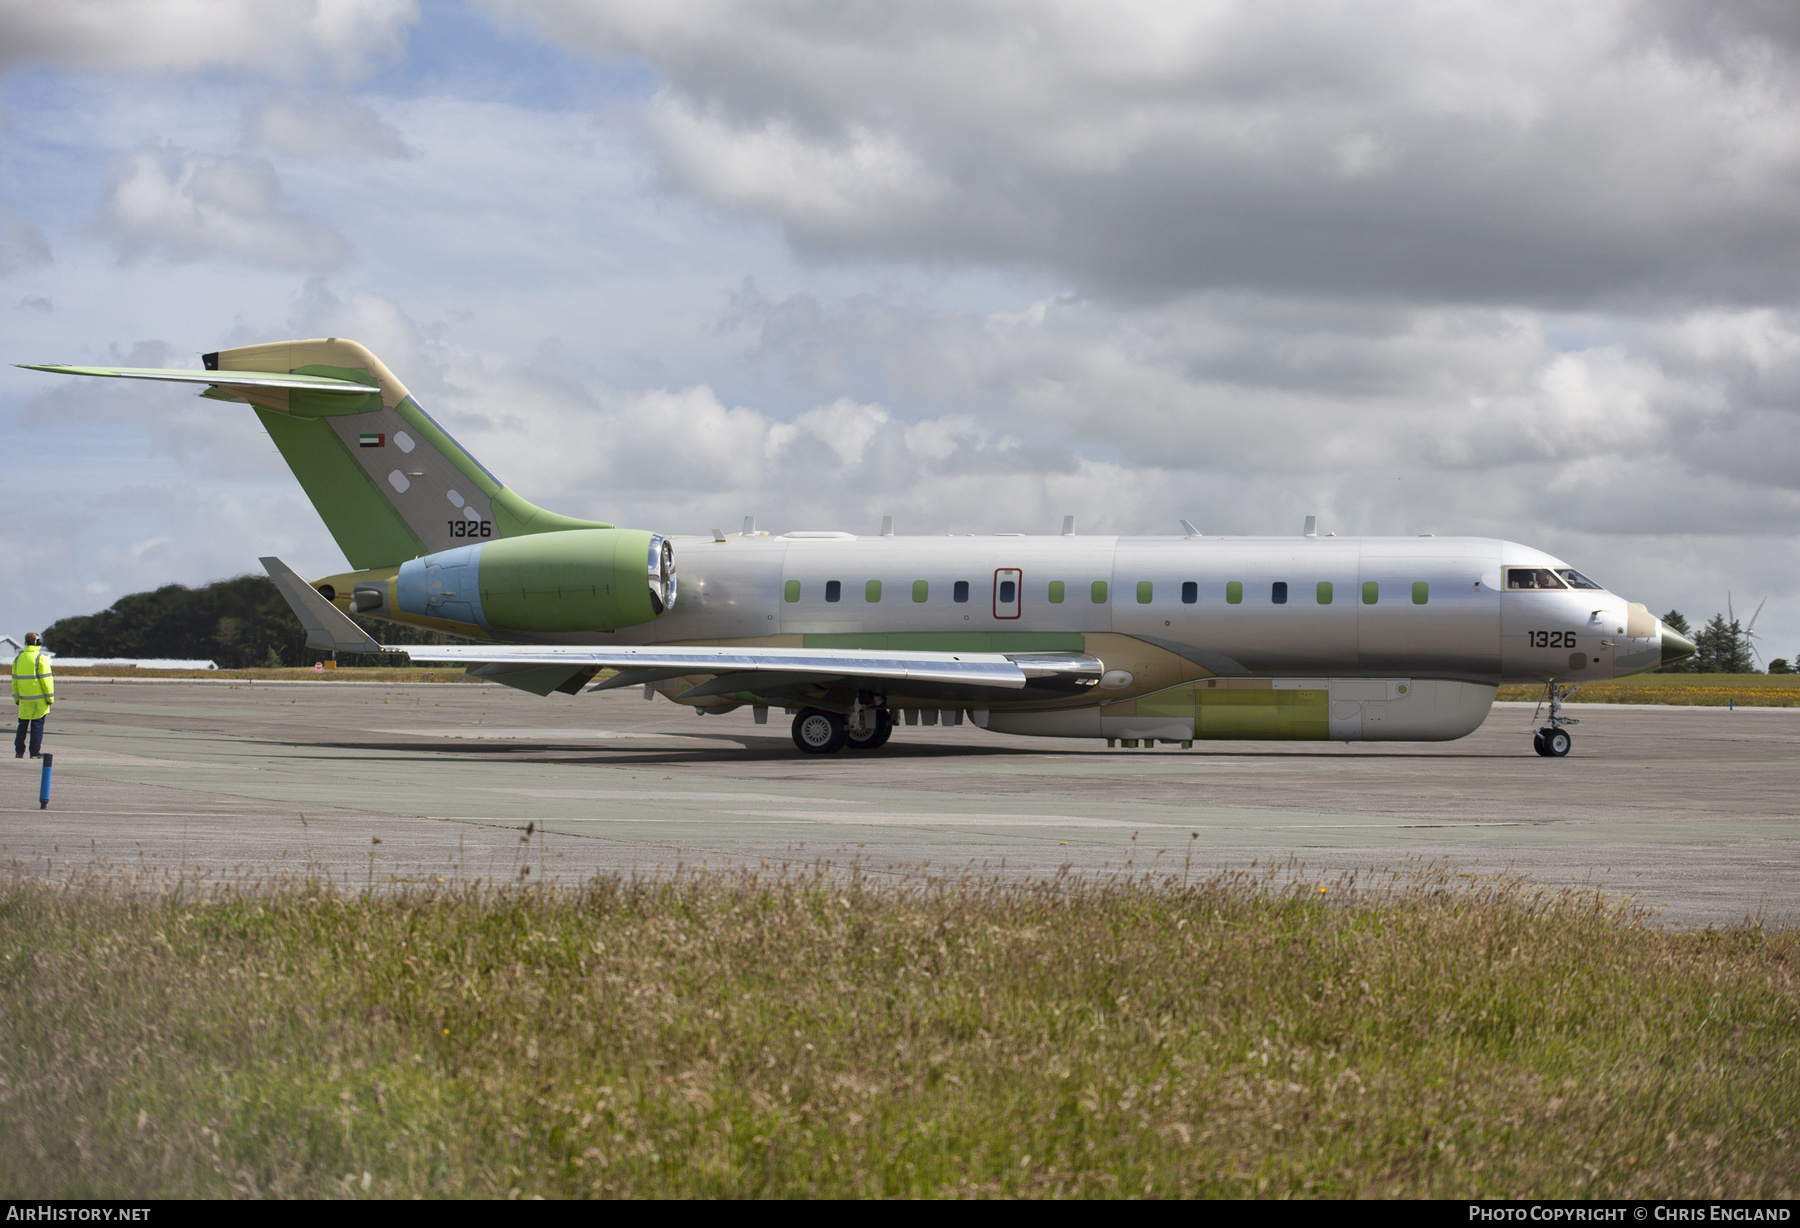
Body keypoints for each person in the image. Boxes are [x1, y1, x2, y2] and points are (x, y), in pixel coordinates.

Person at [13, 632, 53, 759]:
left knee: (22, 725)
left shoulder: (18, 659)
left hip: (24, 699)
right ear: (38, 642)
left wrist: (16, 697)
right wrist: (50, 697)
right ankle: (34, 752)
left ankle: (19, 751)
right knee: (37, 726)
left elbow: (15, 680)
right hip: (39, 700)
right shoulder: (41, 658)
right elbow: (46, 680)